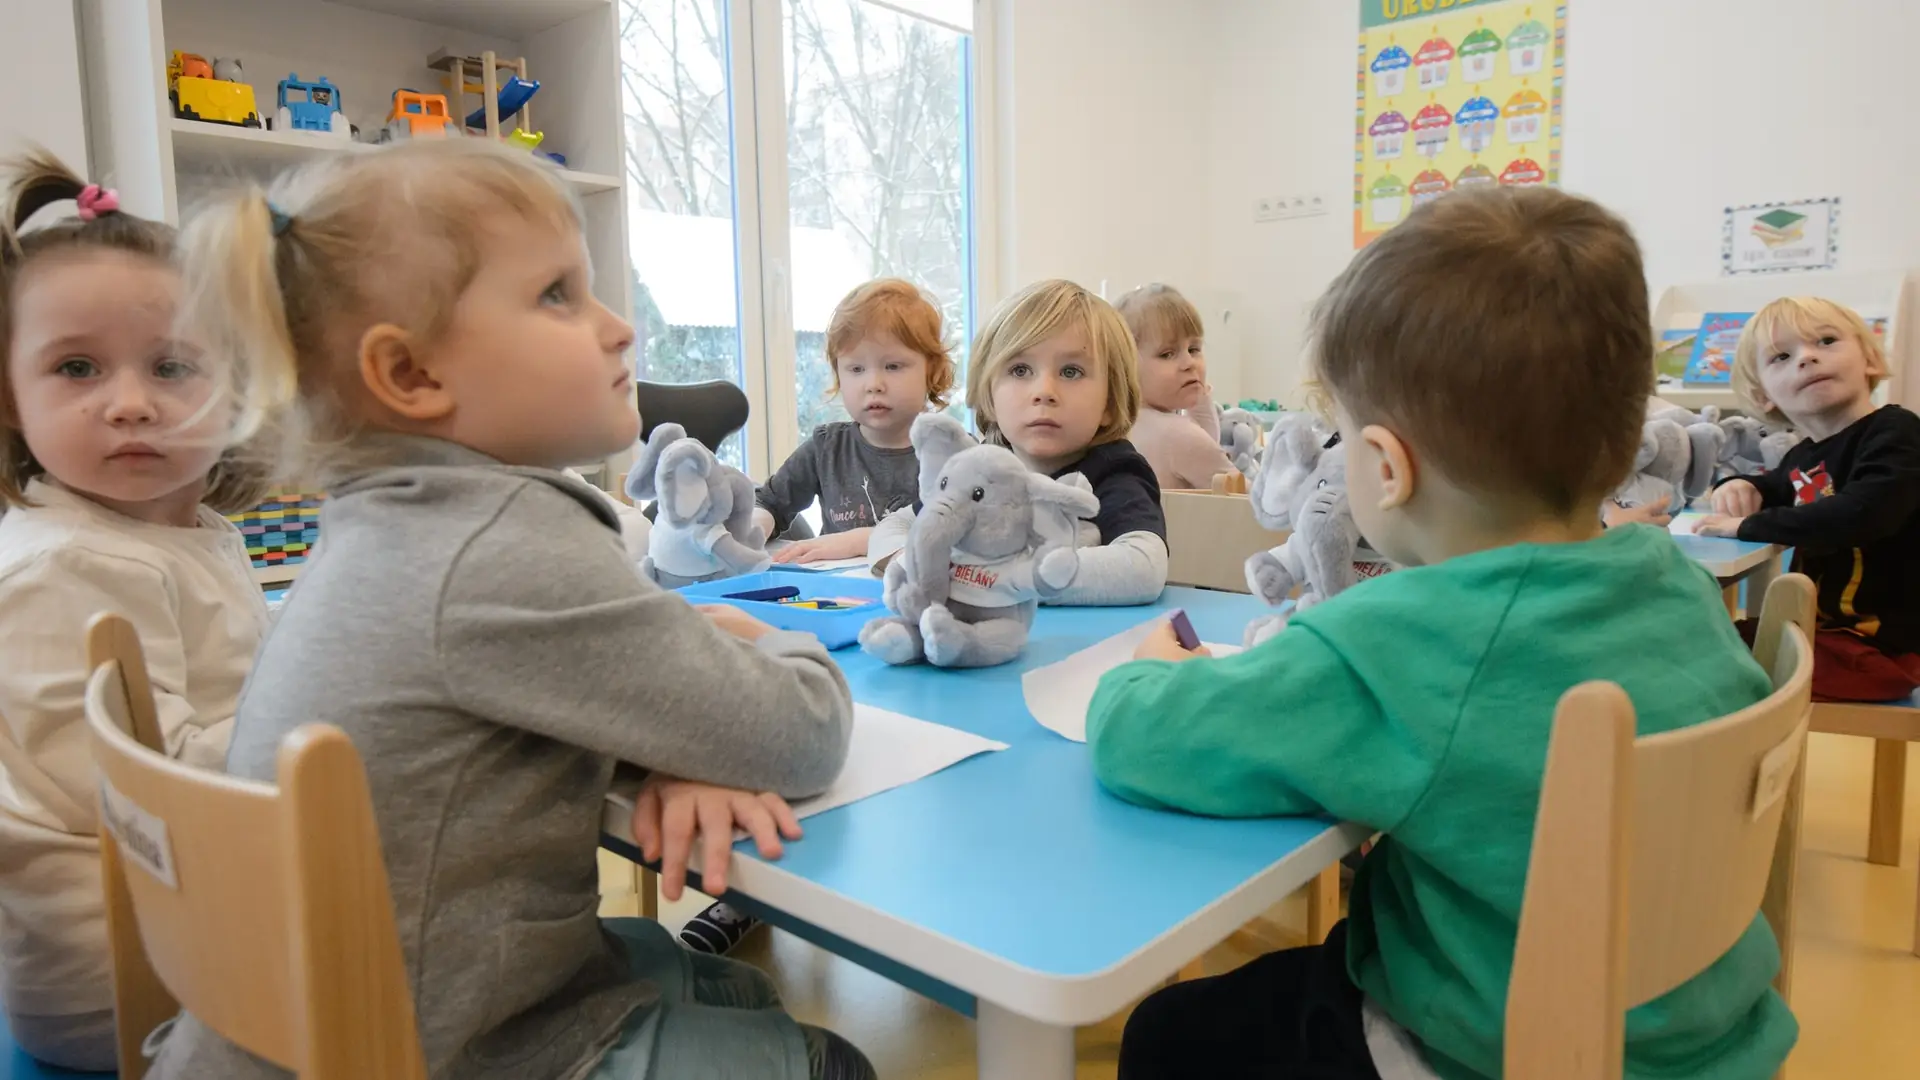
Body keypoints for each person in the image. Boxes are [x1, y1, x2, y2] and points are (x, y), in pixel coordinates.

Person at [153, 138, 874, 1080]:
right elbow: (802, 734)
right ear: (410, 375)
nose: (619, 327)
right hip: (440, 1051)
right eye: (558, 295)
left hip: (310, 1026)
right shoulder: (500, 542)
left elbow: (565, 691)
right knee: (834, 1064)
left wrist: (682, 728)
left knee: (733, 991)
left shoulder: (388, 519)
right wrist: (755, 638)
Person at [1086, 188, 1795, 1080]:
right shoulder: (1675, 583)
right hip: (1710, 1038)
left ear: (1383, 468)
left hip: (1493, 1049)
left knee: (1169, 1033)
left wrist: (1146, 670)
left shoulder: (1402, 637)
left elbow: (1141, 740)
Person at [0, 151, 270, 1072]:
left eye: (173, 367)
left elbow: (233, 666)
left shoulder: (188, 532)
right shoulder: (62, 565)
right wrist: (341, 698)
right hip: (122, 986)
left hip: (194, 923)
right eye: (77, 368)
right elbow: (150, 793)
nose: (129, 404)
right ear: (11, 395)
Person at [870, 278, 1168, 605]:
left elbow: (1145, 568)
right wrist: (914, 561)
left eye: (1071, 372)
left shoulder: (1115, 471)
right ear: (990, 395)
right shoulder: (982, 467)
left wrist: (1001, 580)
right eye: (1020, 370)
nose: (1044, 391)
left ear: (1110, 404)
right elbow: (896, 524)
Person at [1695, 296, 1920, 702]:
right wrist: (1743, 485)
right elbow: (1779, 485)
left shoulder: (1896, 431)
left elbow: (1863, 512)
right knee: (1705, 637)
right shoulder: (1805, 454)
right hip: (1829, 637)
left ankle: (1743, 761)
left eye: (1826, 341)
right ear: (1764, 396)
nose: (1807, 359)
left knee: (1707, 659)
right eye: (1782, 356)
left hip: (1888, 650)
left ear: (1869, 359)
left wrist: (1747, 525)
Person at [755, 278, 954, 566]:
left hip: (916, 598)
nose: (873, 384)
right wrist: (753, 529)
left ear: (932, 372)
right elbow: (768, 503)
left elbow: (964, 533)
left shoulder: (954, 453)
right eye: (856, 369)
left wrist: (861, 540)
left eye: (893, 366)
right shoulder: (827, 447)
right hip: (836, 596)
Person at [1112, 283, 1235, 490]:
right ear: (1126, 366)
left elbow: (1206, 442)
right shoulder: (1180, 434)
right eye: (1167, 354)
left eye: (1194, 349)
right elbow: (1254, 504)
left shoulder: (1120, 428)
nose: (1189, 363)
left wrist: (1197, 393)